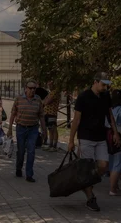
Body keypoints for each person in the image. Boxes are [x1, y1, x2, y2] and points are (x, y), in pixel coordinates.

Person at [68, 72, 121, 211]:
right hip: (86, 137)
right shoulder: (83, 97)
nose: (105, 87)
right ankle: (91, 198)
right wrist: (71, 140)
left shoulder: (105, 96)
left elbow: (109, 115)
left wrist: (115, 133)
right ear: (95, 82)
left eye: (107, 85)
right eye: (103, 85)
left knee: (103, 165)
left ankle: (86, 182)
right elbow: (76, 120)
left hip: (101, 137)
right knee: (87, 168)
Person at [7, 79, 46, 183]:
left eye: (34, 88)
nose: (32, 90)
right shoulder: (19, 99)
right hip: (21, 128)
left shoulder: (38, 100)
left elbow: (41, 116)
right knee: (21, 151)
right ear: (25, 89)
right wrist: (10, 129)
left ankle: (29, 174)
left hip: (33, 129)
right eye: (30, 88)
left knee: (31, 151)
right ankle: (18, 168)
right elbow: (13, 114)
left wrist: (44, 130)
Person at [108, 89, 121, 196]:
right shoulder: (120, 109)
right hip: (118, 136)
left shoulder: (110, 108)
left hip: (109, 136)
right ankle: (113, 189)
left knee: (113, 162)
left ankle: (115, 186)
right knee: (118, 163)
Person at [43, 82, 61, 152]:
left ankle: (54, 145)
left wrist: (44, 101)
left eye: (50, 84)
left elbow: (46, 102)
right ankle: (50, 144)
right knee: (50, 129)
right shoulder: (51, 92)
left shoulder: (54, 92)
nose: (49, 86)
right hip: (47, 113)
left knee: (53, 129)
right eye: (48, 84)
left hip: (52, 113)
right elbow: (44, 101)